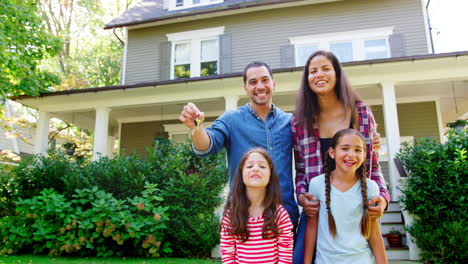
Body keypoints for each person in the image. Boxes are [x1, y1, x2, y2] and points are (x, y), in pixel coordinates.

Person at [292, 50, 390, 263]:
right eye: (313, 71)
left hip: (356, 209)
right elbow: (300, 171)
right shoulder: (300, 122)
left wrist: (382, 197)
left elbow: (373, 165)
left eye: (326, 69)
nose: (319, 74)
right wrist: (302, 196)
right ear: (307, 79)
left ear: (337, 74)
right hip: (317, 213)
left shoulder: (361, 113)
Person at [179, 61, 299, 228]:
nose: (260, 86)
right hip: (244, 218)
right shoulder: (231, 119)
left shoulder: (289, 121)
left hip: (285, 217)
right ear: (245, 88)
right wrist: (196, 127)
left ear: (274, 84)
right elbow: (206, 146)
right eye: (253, 82)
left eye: (265, 80)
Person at [303, 129, 387, 264]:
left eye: (358, 150)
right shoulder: (317, 184)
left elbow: (375, 234)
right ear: (332, 152)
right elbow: (312, 227)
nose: (351, 155)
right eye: (345, 148)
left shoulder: (371, 187)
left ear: (365, 155)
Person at [220, 148, 294, 263]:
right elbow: (228, 255)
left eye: (262, 167)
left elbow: (285, 256)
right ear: (241, 174)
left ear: (270, 175)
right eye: (249, 166)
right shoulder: (232, 214)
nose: (255, 169)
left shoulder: (279, 214)